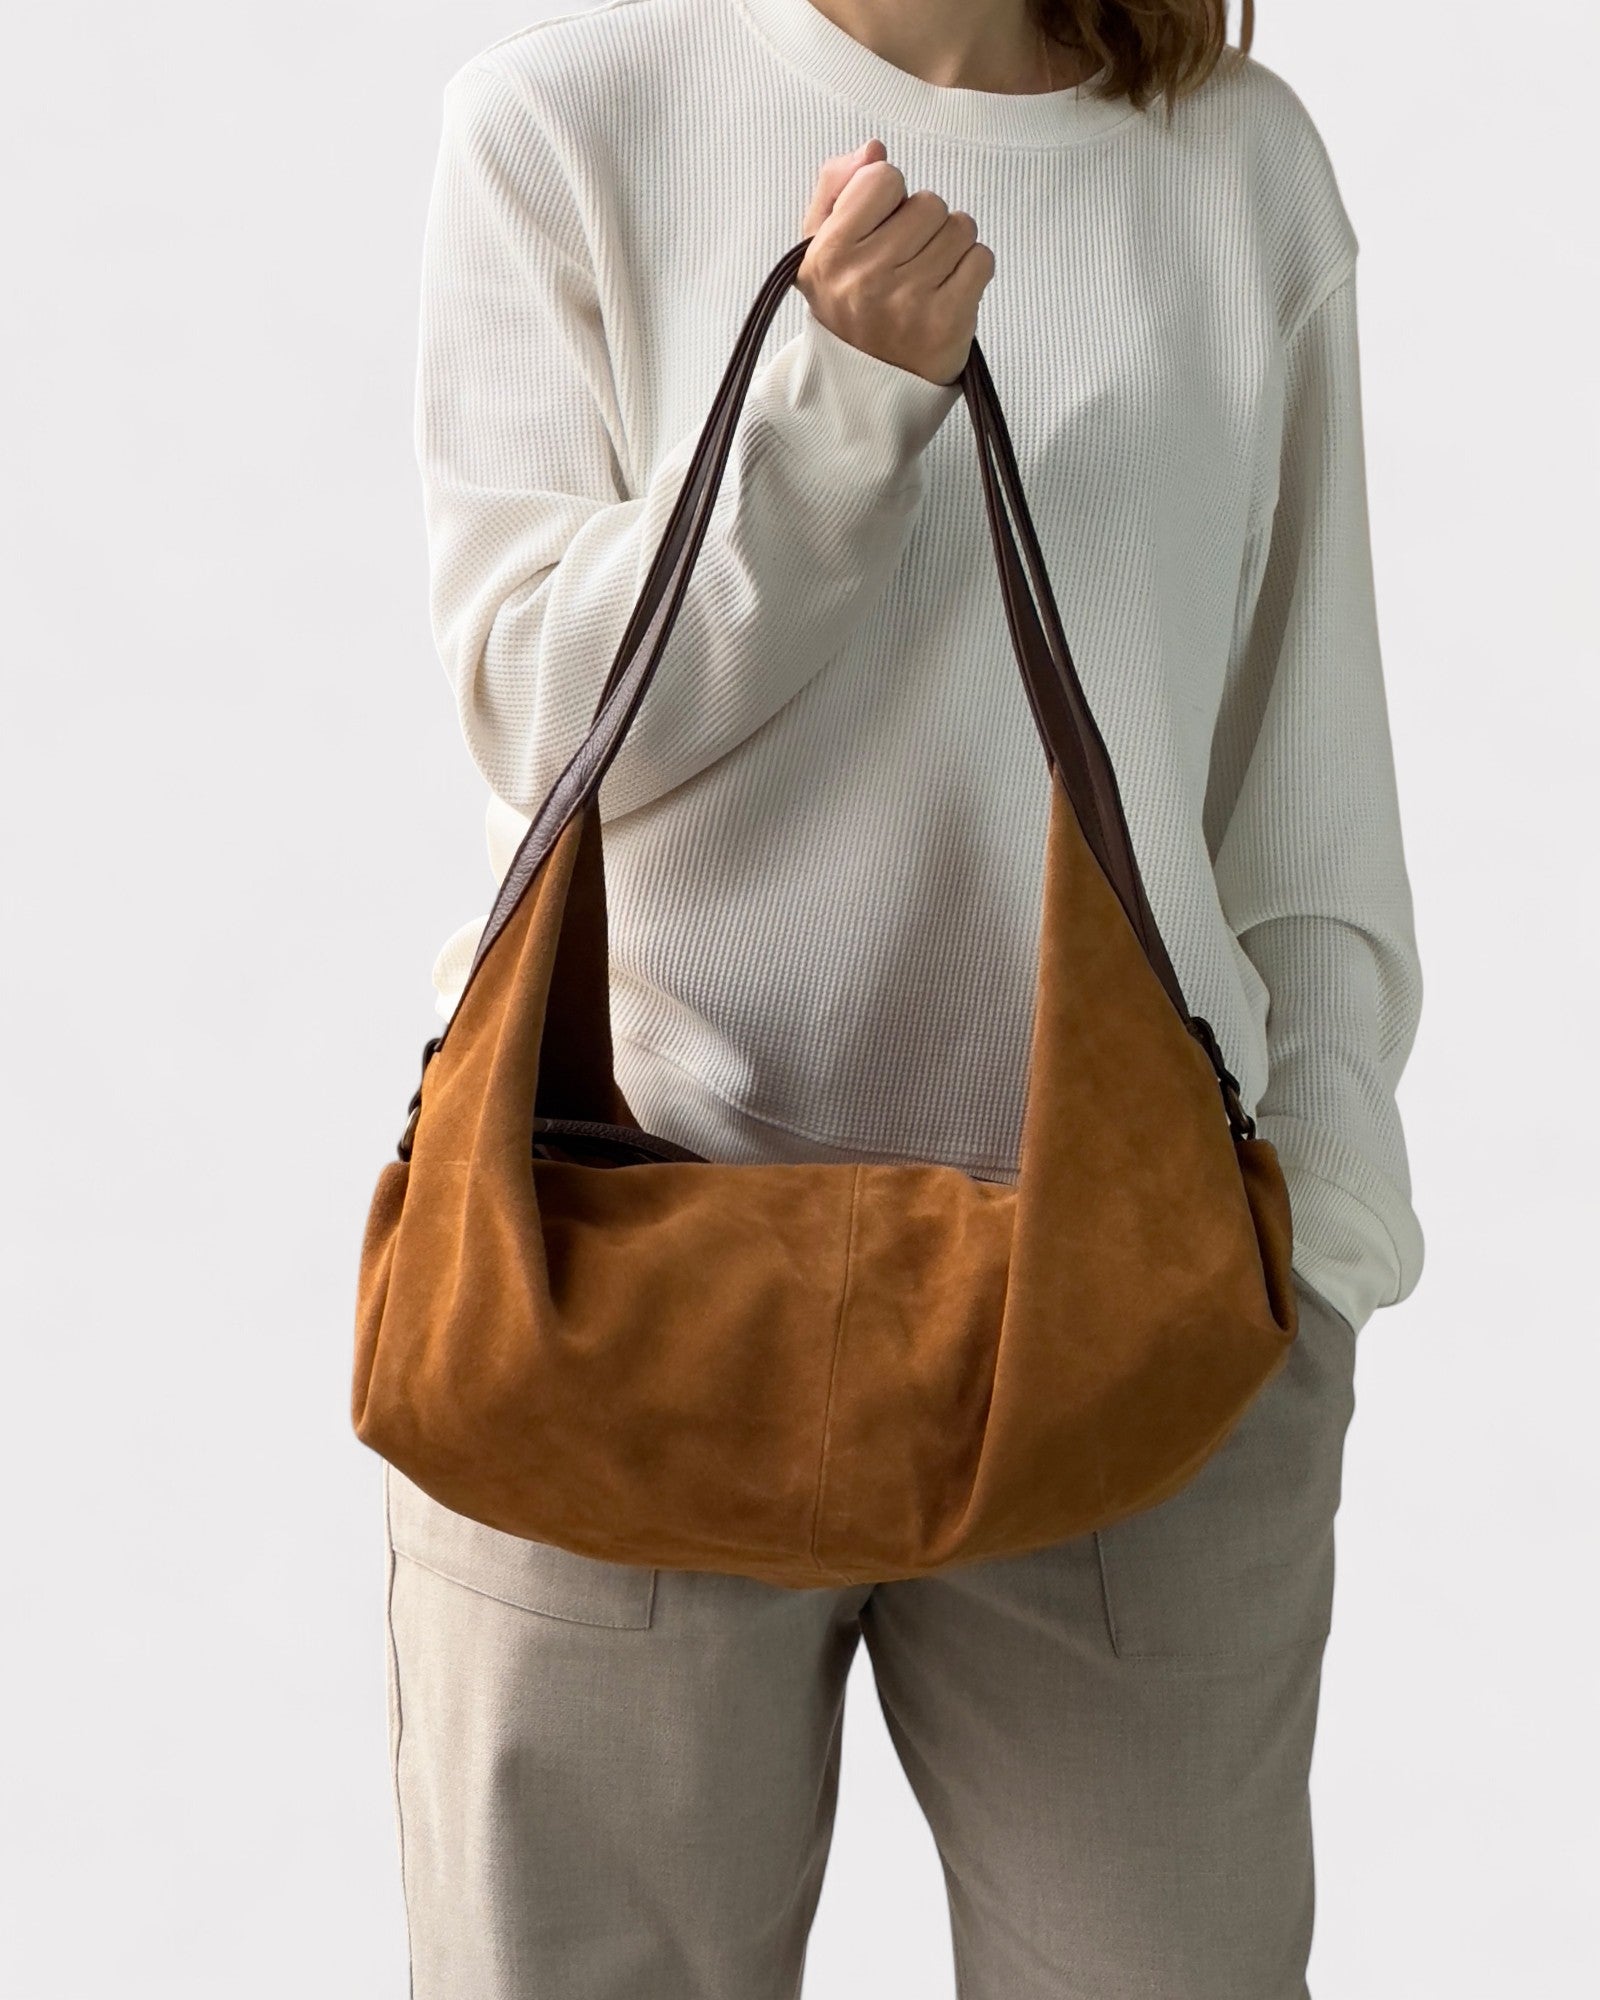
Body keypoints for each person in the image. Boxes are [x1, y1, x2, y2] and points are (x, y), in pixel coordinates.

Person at [381, 1, 1424, 1993]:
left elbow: (1300, 768)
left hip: (1142, 1323)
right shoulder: (561, 126)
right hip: (606, 1284)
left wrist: (1323, 1249)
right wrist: (829, 411)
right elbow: (536, 709)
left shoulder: (1233, 164)